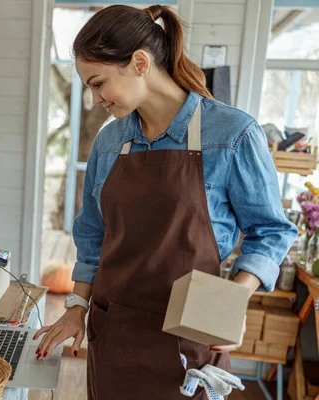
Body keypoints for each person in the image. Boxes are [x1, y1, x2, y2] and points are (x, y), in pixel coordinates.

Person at [34, 4, 298, 399]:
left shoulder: (231, 134)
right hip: (114, 339)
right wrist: (76, 307)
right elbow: (92, 235)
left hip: (190, 342)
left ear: (140, 62)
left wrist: (234, 299)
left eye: (98, 83)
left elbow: (270, 232)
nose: (94, 100)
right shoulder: (109, 142)